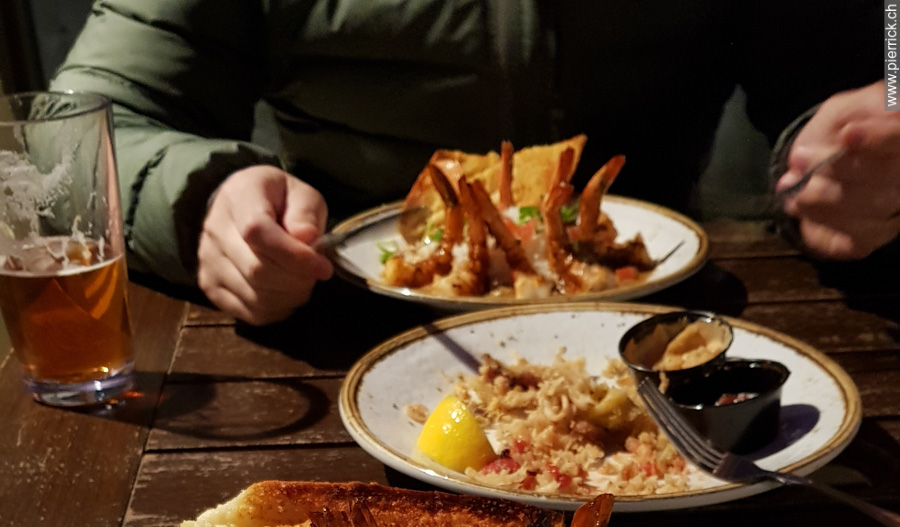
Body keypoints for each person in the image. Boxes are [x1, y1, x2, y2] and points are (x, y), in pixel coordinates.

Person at [53, 0, 892, 326]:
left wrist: (871, 146)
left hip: (663, 332)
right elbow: (72, 132)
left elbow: (866, 61)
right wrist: (203, 199)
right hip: (330, 327)